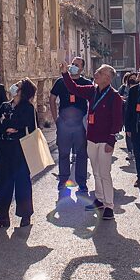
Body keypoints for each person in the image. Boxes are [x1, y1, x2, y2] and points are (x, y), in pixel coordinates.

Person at [59, 61, 124, 220]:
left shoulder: (114, 96)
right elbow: (74, 88)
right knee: (95, 171)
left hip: (105, 140)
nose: (96, 74)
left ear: (107, 78)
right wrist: (65, 74)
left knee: (104, 173)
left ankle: (109, 205)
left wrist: (111, 141)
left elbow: (117, 121)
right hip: (92, 138)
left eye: (100, 73)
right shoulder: (92, 90)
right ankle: (99, 199)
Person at [0, 79, 38, 230]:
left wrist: (8, 124)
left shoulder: (28, 108)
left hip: (20, 150)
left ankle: (25, 215)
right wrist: (5, 128)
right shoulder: (5, 105)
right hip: (3, 149)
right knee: (3, 183)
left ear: (23, 92)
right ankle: (2, 217)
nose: (15, 87)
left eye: (19, 86)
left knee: (22, 183)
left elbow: (26, 125)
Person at [49, 56, 92, 194]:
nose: (73, 66)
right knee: (63, 153)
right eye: (73, 64)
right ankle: (63, 180)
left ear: (82, 68)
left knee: (81, 154)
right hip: (64, 124)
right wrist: (56, 118)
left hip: (80, 125)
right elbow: (52, 98)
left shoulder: (86, 83)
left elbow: (92, 102)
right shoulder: (61, 82)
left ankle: (82, 183)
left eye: (77, 64)